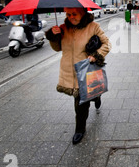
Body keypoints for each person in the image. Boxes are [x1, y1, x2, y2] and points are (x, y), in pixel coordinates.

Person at [46, 8, 111, 145]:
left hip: (87, 70)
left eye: (74, 14)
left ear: (82, 13)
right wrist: (54, 36)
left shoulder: (93, 26)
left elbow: (107, 44)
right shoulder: (63, 28)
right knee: (80, 99)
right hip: (70, 71)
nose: (71, 17)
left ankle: (79, 129)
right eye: (68, 14)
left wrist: (96, 56)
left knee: (81, 101)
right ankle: (94, 99)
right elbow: (57, 48)